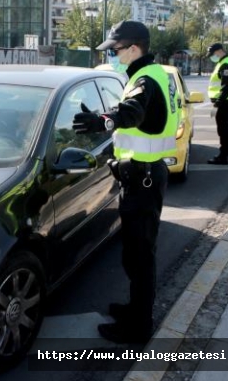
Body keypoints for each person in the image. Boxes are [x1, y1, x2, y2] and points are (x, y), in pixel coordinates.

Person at [72, 20, 178, 344]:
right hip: (143, 176)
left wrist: (103, 120)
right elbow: (135, 112)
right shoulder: (155, 74)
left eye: (116, 50)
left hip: (143, 179)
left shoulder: (146, 79)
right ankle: (135, 310)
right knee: (135, 255)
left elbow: (132, 112)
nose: (113, 56)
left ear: (133, 48)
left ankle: (138, 328)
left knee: (140, 256)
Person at [206, 43, 228, 165]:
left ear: (219, 51)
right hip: (225, 101)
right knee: (223, 128)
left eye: (213, 54)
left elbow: (226, 88)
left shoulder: (226, 65)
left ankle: (224, 156)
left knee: (223, 129)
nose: (212, 57)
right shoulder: (224, 62)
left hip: (224, 102)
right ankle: (225, 154)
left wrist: (217, 104)